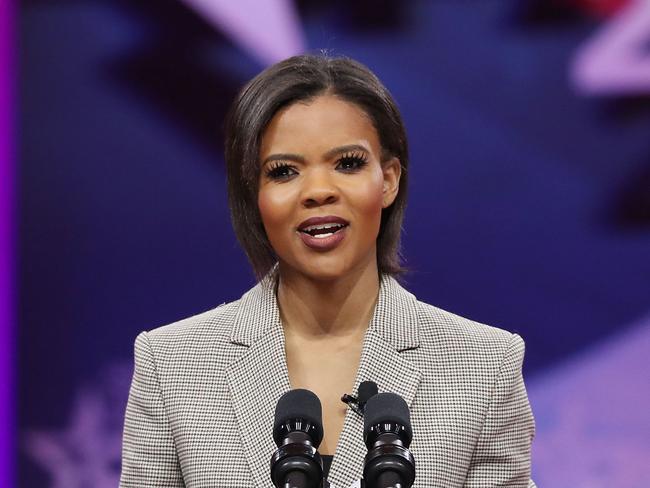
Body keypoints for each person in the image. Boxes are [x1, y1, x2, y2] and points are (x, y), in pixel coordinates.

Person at [119, 54, 536, 488]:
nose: (318, 191)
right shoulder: (172, 364)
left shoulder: (482, 365)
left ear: (389, 179)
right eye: (283, 172)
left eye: (348, 164)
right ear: (254, 196)